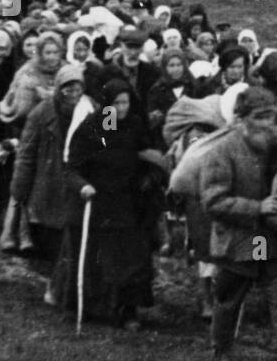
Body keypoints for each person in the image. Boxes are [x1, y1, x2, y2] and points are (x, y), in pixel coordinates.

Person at [198, 86, 277, 361]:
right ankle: (222, 352)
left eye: (270, 116)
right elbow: (213, 202)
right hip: (241, 238)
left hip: (276, 239)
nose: (266, 123)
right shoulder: (222, 152)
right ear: (241, 119)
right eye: (259, 117)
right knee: (229, 299)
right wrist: (256, 207)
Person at [57, 79, 165, 330]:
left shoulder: (137, 126)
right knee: (94, 259)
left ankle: (128, 311)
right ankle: (89, 306)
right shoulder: (90, 129)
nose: (121, 108)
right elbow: (71, 168)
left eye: (125, 102)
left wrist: (150, 178)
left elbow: (152, 160)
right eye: (116, 103)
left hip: (129, 203)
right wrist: (83, 185)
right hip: (96, 203)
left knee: (131, 258)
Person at [10, 65, 89, 305]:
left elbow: (107, 139)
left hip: (77, 181)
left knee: (71, 236)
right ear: (59, 89)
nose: (73, 93)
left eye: (77, 88)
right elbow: (26, 152)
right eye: (67, 88)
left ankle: (62, 287)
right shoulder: (42, 112)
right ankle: (55, 284)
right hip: (49, 181)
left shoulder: (91, 109)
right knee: (50, 237)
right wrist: (19, 188)